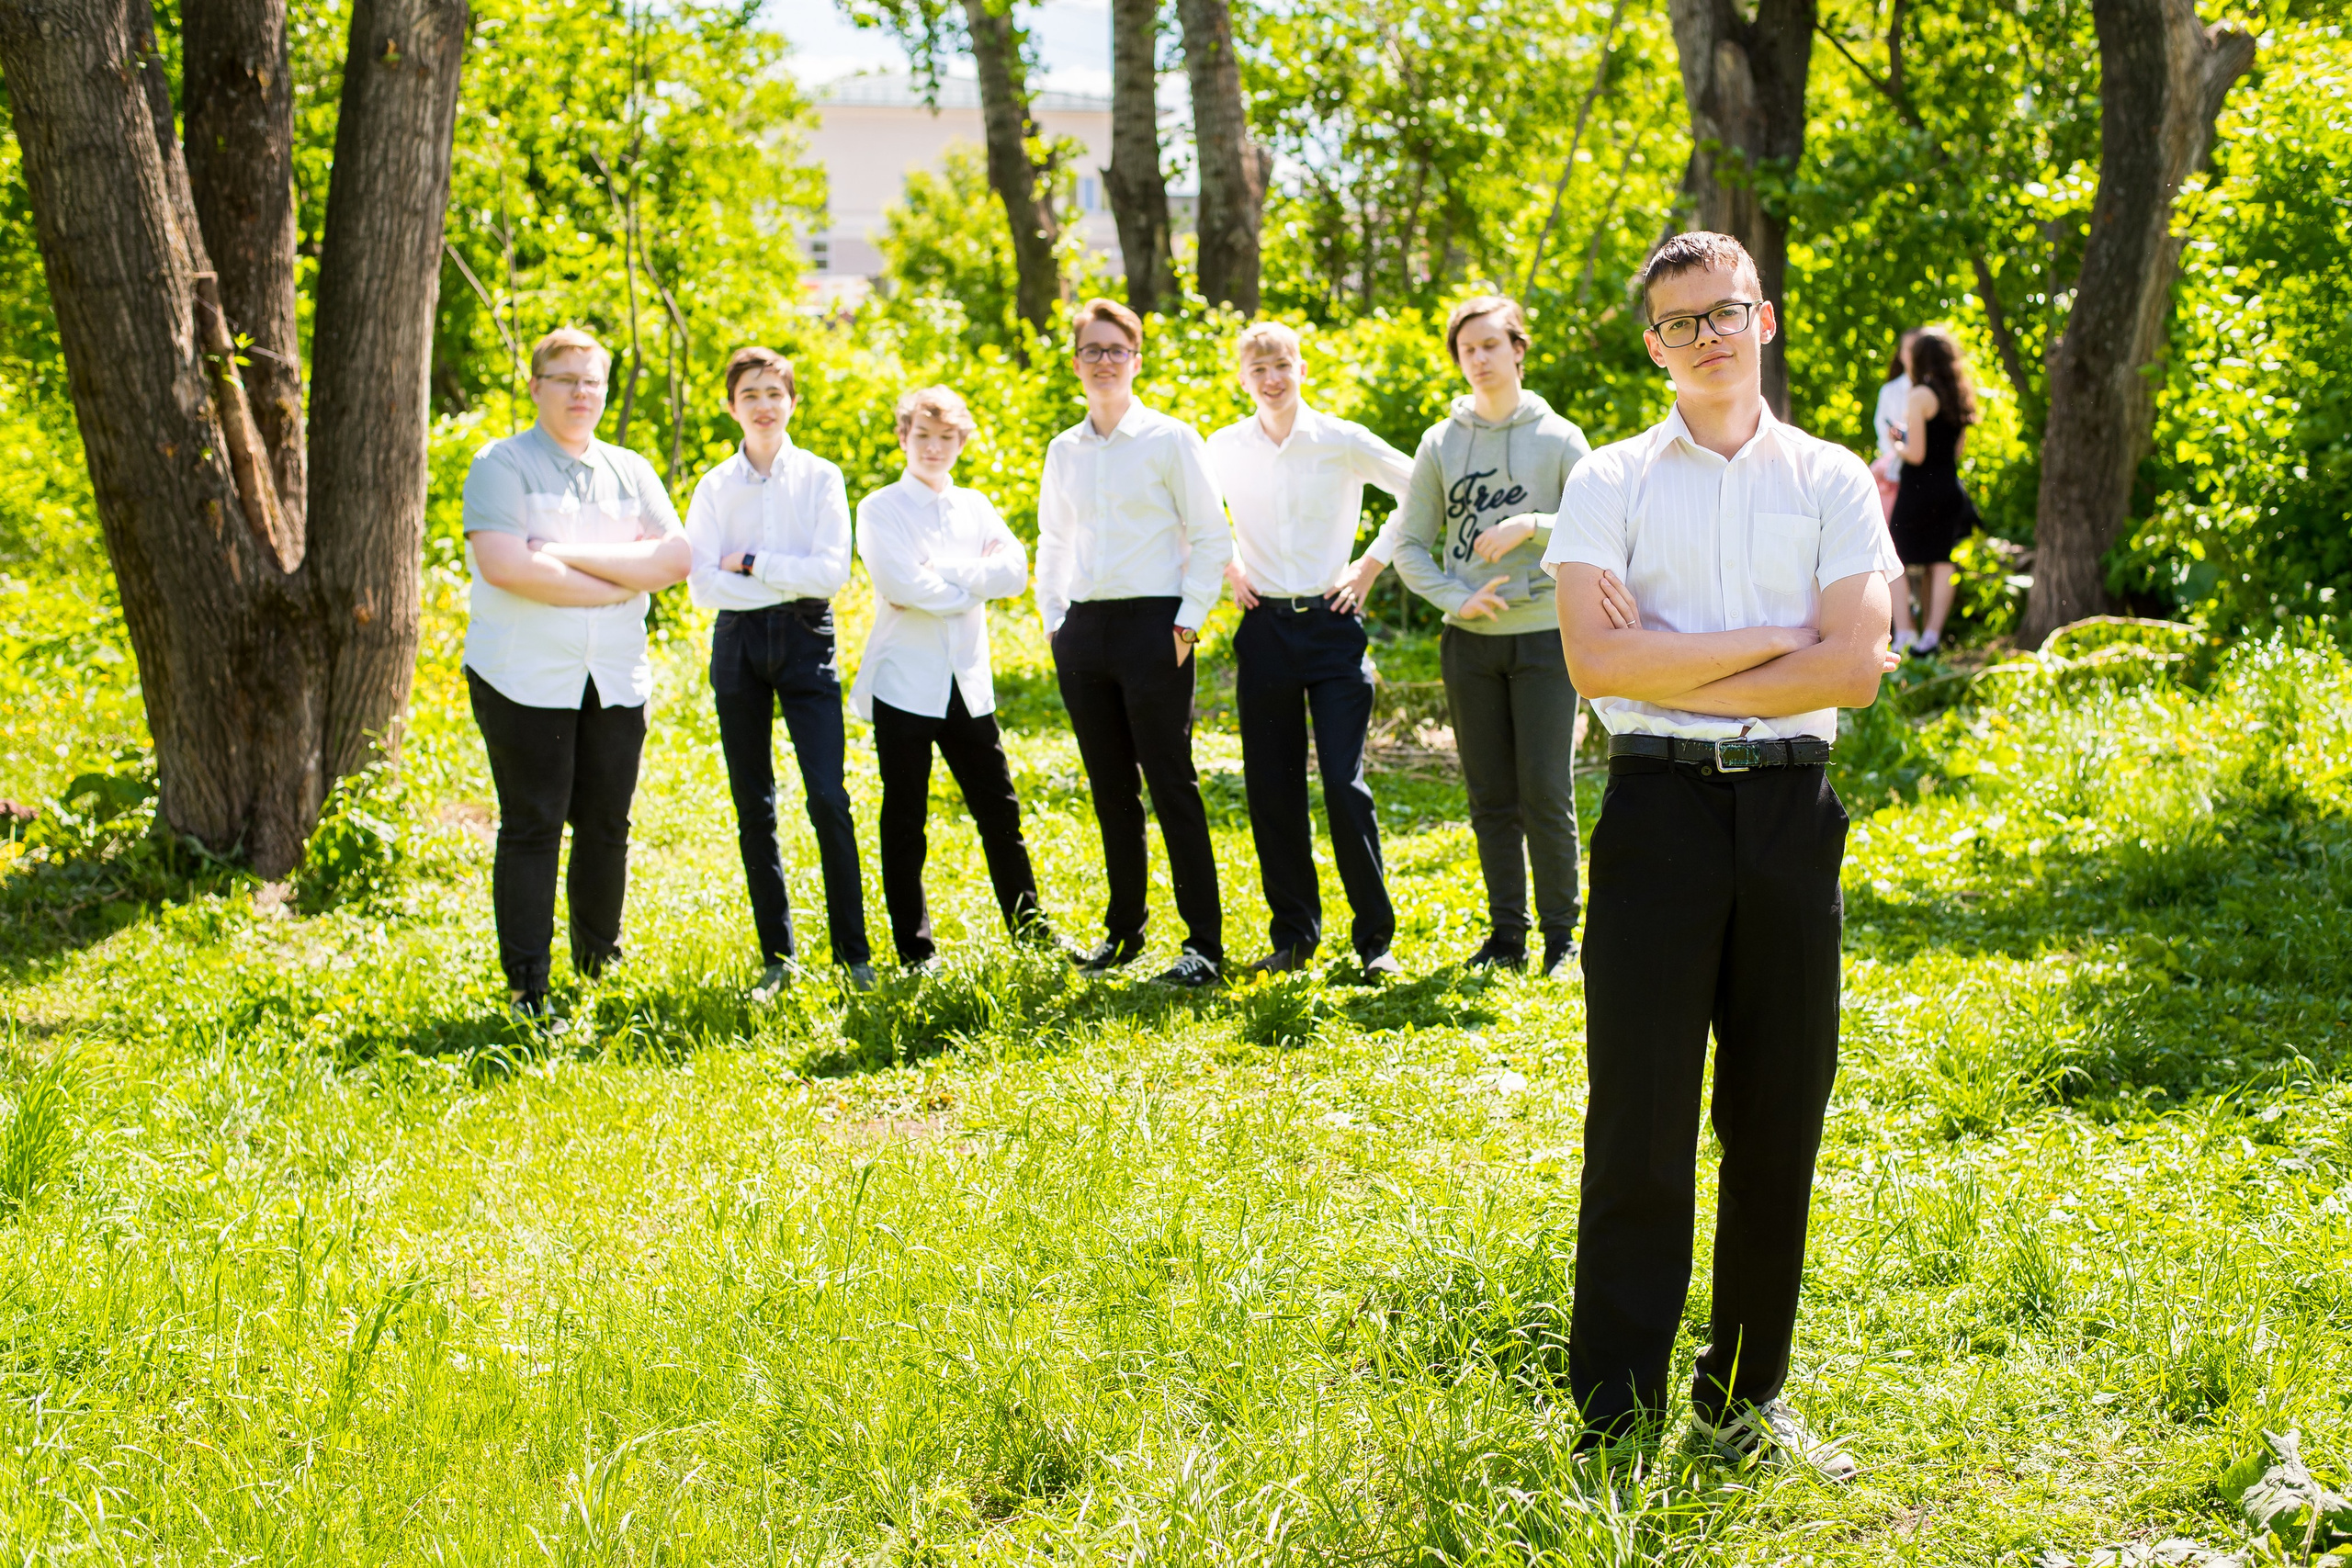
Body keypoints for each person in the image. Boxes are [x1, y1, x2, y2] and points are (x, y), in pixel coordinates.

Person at [1544, 231, 1902, 1481]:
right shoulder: (1608, 480)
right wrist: (1776, 641)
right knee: (1639, 1117)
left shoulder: (1833, 479)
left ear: (1765, 318)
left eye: (1725, 311)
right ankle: (1615, 1412)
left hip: (1794, 818)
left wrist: (1687, 652)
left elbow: (1854, 665)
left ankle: (1745, 1397)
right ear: (1654, 342)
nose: (1706, 333)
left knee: (1777, 1119)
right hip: (1657, 815)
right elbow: (1600, 665)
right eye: (1681, 319)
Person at [459, 327, 692, 1020]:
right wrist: (623, 576)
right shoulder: (500, 465)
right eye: (566, 379)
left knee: (606, 823)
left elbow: (676, 559)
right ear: (536, 387)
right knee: (533, 823)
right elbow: (507, 567)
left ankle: (599, 962)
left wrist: (560, 553)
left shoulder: (630, 467)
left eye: (592, 380)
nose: (581, 393)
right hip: (523, 677)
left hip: (615, 675)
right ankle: (528, 983)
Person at [1390, 295, 1592, 979]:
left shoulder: (1560, 438)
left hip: (1544, 640)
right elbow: (1410, 544)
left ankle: (1564, 940)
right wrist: (1456, 596)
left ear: (1517, 349)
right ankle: (1508, 937)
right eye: (1466, 349)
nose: (1477, 359)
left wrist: (1532, 524)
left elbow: (1603, 531)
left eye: (1489, 345)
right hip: (1469, 644)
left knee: (1545, 789)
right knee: (1489, 795)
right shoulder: (1441, 443)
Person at [1205, 321, 1414, 982]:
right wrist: (1228, 562)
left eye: (1282, 364)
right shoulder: (1222, 447)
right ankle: (1294, 935)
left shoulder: (1340, 440)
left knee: (1343, 786)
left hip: (1332, 625)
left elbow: (1421, 486)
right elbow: (1194, 513)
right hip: (1263, 625)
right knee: (1271, 789)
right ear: (1242, 376)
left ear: (1301, 367)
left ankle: (1373, 939)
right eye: (1258, 368)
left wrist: (1370, 566)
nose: (1271, 378)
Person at [1036, 297, 1232, 987]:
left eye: (1116, 350)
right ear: (1076, 363)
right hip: (1085, 631)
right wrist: (1055, 623)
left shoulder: (1172, 438)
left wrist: (1187, 623)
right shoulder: (1064, 449)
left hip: (1157, 627)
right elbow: (1053, 540)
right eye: (1092, 350)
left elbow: (1212, 535)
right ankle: (1124, 934)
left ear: (1136, 358)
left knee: (1171, 782)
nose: (1104, 362)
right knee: (1110, 787)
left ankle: (1203, 946)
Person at [684, 345, 874, 995]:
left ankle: (854, 953)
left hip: (805, 636)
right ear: (730, 405)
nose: (763, 406)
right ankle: (778, 958)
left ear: (793, 400)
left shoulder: (821, 477)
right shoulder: (714, 485)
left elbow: (830, 574)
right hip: (737, 644)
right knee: (753, 803)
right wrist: (760, 576)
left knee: (828, 796)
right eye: (750, 395)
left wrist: (752, 562)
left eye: (774, 393)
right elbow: (702, 587)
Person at [851, 386, 1048, 968]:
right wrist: (970, 585)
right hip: (904, 685)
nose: (934, 448)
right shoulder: (879, 508)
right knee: (906, 816)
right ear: (903, 437)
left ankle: (1030, 932)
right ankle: (915, 949)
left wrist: (949, 572)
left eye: (946, 438)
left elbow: (1014, 573)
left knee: (1000, 811)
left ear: (961, 441)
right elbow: (902, 586)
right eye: (922, 436)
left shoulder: (977, 506)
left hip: (968, 684)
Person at [1887, 326, 1982, 657]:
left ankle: (1905, 633)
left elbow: (1916, 454)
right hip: (1949, 489)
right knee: (1941, 562)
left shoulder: (1919, 396)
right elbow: (1954, 452)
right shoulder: (1958, 396)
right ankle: (1932, 636)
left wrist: (1897, 443)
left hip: (1918, 490)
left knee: (1893, 557)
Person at [1871, 329, 1917, 524]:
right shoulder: (1890, 391)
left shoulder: (1934, 390)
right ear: (1900, 353)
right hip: (1894, 476)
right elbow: (1883, 432)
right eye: (1909, 349)